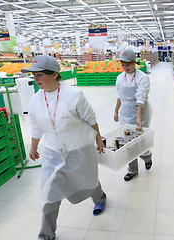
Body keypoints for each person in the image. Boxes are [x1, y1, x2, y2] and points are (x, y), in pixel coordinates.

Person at [22, 55, 106, 240]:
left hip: (79, 148)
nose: (35, 79)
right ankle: (46, 234)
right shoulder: (35, 100)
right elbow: (36, 127)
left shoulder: (74, 96)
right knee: (49, 193)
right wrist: (34, 147)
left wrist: (99, 140)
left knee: (87, 182)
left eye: (39, 75)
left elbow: (91, 120)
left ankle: (99, 197)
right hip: (53, 152)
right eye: (33, 75)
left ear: (54, 75)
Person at [114, 49, 152, 181]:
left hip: (139, 112)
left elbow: (141, 99)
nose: (125, 68)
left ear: (134, 62)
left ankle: (147, 157)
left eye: (128, 65)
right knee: (127, 144)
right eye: (123, 65)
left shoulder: (142, 78)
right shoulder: (120, 78)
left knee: (138, 143)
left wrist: (139, 119)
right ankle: (132, 170)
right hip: (125, 113)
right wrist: (116, 111)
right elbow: (119, 97)